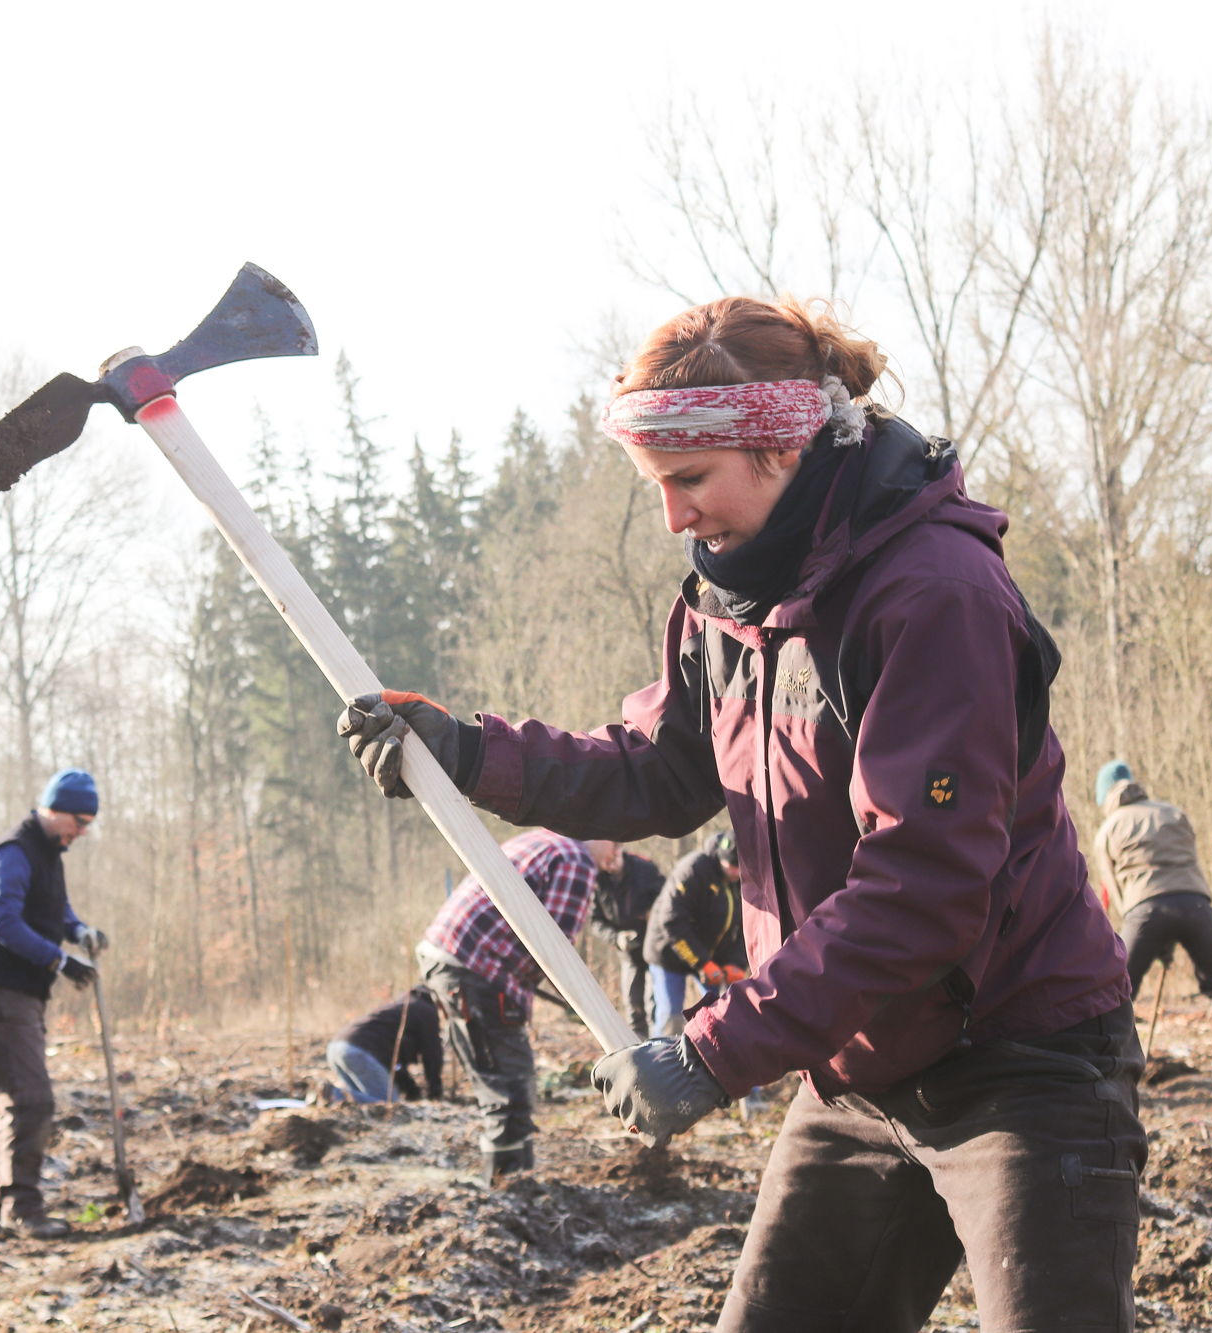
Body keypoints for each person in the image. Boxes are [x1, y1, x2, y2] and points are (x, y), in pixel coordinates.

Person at [339, 294, 1138, 1331]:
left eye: (688, 481)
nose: (673, 517)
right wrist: (467, 754)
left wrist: (712, 1050)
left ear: (777, 446)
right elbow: (653, 773)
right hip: (857, 1067)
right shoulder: (725, 606)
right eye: (655, 487)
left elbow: (921, 893)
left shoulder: (931, 595)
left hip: (1021, 1061)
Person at [403, 827, 612, 1186]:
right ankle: (508, 1193)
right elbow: (554, 952)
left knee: (501, 1084)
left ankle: (510, 1186)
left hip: (450, 955)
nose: (618, 852)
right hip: (476, 967)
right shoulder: (576, 860)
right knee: (510, 1088)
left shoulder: (543, 840)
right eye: (617, 840)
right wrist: (588, 1007)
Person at [0, 767, 107, 1240]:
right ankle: (21, 1210)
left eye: (87, 825)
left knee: (19, 1101)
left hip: (21, 993)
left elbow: (54, 910)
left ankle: (3, 1214)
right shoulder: (15, 851)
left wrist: (78, 930)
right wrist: (59, 961)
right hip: (0, 988)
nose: (81, 833)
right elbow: (2, 918)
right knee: (31, 1100)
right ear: (55, 808)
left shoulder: (48, 854)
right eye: (79, 822)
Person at [1094, 760, 1212, 1091]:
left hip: (1144, 909)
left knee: (1118, 992)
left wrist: (1144, 932)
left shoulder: (1109, 828)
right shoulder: (1172, 812)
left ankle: (1111, 1077)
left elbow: (1114, 890)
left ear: (1105, 797)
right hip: (1196, 904)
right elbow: (1188, 861)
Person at [644, 830, 749, 1036]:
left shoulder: (747, 879)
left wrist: (737, 962)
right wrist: (702, 963)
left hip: (711, 955)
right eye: (731, 866)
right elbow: (672, 921)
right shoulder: (693, 869)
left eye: (740, 867)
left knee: (717, 1012)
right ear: (720, 857)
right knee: (670, 1014)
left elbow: (747, 927)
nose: (736, 872)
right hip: (669, 952)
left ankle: (710, 1057)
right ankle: (660, 1059)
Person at [587, 841, 667, 1039]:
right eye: (605, 863)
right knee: (633, 1003)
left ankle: (661, 1042)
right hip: (627, 951)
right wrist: (617, 938)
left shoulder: (645, 869)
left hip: (655, 946)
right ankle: (638, 1044)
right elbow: (596, 921)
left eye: (613, 859)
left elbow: (667, 902)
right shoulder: (596, 879)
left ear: (618, 850)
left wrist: (652, 917)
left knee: (655, 1000)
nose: (610, 866)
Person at [322, 987, 445, 1104]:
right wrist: (435, 1091)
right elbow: (432, 1054)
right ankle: (333, 1095)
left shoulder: (403, 1006)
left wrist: (410, 1090)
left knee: (364, 1099)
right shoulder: (426, 1011)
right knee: (389, 1104)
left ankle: (329, 1095)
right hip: (358, 1052)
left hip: (335, 1048)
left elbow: (396, 1063)